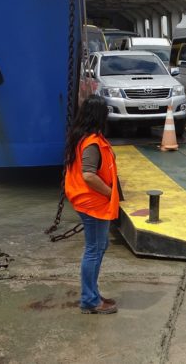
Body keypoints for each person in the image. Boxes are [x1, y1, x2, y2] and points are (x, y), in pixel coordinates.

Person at [64, 95, 119, 314]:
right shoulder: (92, 143)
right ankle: (89, 300)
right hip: (93, 204)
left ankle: (92, 293)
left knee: (99, 246)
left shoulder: (83, 137)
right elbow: (88, 175)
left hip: (89, 202)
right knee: (94, 250)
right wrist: (109, 194)